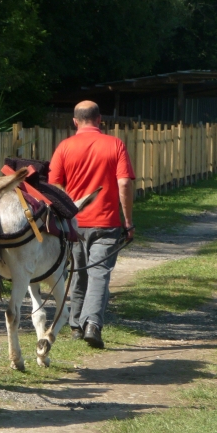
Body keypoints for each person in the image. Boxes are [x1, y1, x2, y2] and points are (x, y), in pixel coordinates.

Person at [48, 101, 135, 349]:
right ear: (99, 120)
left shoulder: (64, 147)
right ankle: (92, 325)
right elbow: (125, 184)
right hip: (107, 222)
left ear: (75, 122)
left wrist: (61, 218)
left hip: (74, 223)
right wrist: (128, 221)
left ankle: (77, 325)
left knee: (78, 273)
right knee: (99, 275)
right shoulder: (115, 144)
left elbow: (54, 188)